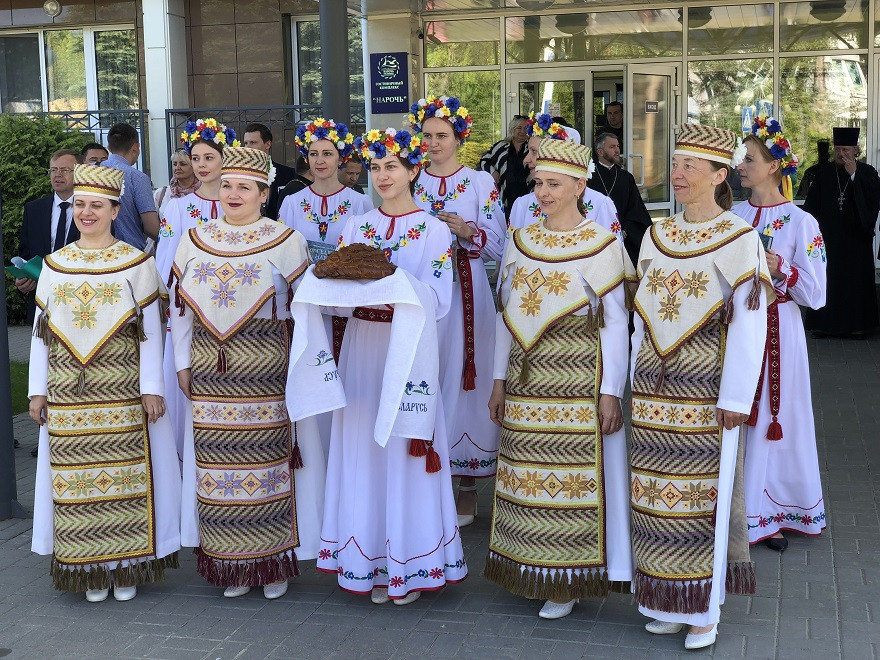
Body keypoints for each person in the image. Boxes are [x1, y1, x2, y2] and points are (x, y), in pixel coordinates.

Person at [630, 123, 772, 650]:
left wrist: (737, 397)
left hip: (706, 392)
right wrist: (628, 376)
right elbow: (641, 317)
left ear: (719, 176)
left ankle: (704, 610)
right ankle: (665, 600)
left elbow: (749, 322)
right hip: (651, 391)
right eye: (677, 162)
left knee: (700, 504)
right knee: (653, 501)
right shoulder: (656, 233)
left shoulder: (740, 238)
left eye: (692, 165)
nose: (680, 172)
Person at [315, 127, 467, 605]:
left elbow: (440, 299)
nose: (383, 176)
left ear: (413, 171)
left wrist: (390, 285)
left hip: (408, 351)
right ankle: (368, 563)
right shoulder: (356, 227)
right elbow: (338, 297)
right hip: (363, 348)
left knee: (403, 448)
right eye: (376, 167)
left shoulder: (435, 229)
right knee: (364, 445)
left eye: (392, 167)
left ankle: (408, 561)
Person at [486, 138, 634, 620]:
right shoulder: (521, 239)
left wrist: (611, 391)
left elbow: (615, 324)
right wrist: (497, 380)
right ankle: (531, 566)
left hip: (577, 384)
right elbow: (505, 316)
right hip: (525, 382)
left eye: (554, 183)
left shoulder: (603, 245)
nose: (543, 192)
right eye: (538, 183)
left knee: (568, 483)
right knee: (526, 480)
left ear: (579, 185)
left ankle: (566, 580)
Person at [170, 146, 320, 600]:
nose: (234, 194)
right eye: (228, 185)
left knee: (267, 463)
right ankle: (231, 563)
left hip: (267, 370)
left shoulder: (286, 238)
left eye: (245, 187)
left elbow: (304, 312)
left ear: (263, 191)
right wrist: (180, 362)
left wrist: (301, 368)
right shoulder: (195, 238)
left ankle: (271, 563)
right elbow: (180, 312)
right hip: (210, 372)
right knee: (217, 466)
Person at [28, 164, 180, 603]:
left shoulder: (137, 264)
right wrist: (37, 391)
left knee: (126, 478)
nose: (86, 213)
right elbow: (41, 334)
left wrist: (152, 387)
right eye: (80, 204)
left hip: (123, 390)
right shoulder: (56, 265)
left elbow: (151, 330)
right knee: (76, 478)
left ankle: (125, 565)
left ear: (116, 210)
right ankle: (91, 568)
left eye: (97, 205)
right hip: (67, 393)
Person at [409, 96, 506, 524]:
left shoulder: (480, 181)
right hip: (424, 296)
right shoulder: (411, 180)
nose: (432, 143)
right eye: (427, 136)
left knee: (470, 379)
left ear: (458, 138)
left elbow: (501, 243)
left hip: (468, 292)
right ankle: (429, 475)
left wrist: (467, 231)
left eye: (441, 136)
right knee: (429, 372)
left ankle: (468, 483)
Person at [733, 116, 828, 551]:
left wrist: (780, 268)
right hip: (735, 328)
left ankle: (772, 509)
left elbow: (816, 293)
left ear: (774, 167)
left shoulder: (800, 222)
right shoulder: (732, 216)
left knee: (777, 416)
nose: (740, 165)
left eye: (749, 159)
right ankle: (738, 507)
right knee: (735, 407)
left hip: (779, 330)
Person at [156, 118, 238, 463]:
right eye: (196, 158)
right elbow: (165, 261)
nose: (201, 165)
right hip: (187, 311)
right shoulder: (177, 207)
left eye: (209, 158)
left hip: (235, 312)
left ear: (224, 160)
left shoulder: (240, 202)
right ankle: (183, 464)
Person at [803, 127, 879, 338]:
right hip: (829, 238)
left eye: (845, 149)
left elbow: (873, 201)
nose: (841, 154)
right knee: (828, 279)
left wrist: (854, 175)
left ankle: (857, 327)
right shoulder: (823, 173)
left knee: (854, 282)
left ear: (856, 150)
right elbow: (811, 207)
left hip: (856, 239)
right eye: (838, 149)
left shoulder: (867, 172)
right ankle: (824, 326)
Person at [508, 114, 621, 244]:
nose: (526, 159)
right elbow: (510, 258)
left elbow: (612, 256)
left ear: (560, 154)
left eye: (534, 151)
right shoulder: (522, 205)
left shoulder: (601, 205)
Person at [279, 118, 373, 265]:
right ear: (306, 158)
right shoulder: (292, 203)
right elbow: (283, 254)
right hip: (304, 285)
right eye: (313, 154)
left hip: (346, 285)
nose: (319, 160)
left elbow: (367, 254)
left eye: (327, 154)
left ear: (341, 159)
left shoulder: (359, 202)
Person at [16, 149, 81, 325]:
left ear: (79, 172)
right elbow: (26, 253)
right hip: (42, 302)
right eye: (53, 170)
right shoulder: (34, 209)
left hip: (80, 303)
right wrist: (23, 277)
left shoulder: (91, 209)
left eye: (65, 170)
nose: (57, 175)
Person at [590, 132, 652, 265]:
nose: (617, 150)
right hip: (594, 238)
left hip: (623, 237)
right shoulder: (588, 178)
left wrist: (625, 230)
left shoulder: (626, 177)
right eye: (612, 147)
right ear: (600, 151)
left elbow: (636, 210)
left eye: (617, 146)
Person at [102, 122, 159, 251]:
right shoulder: (137, 178)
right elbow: (152, 228)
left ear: (109, 148)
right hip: (129, 252)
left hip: (93, 253)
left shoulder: (92, 170)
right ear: (136, 148)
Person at [479, 115, 530, 218]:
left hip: (527, 195)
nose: (523, 131)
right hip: (505, 197)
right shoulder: (501, 146)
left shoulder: (531, 147)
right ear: (512, 129)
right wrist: (493, 172)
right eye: (519, 128)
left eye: (526, 128)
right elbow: (484, 160)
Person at [242, 122, 296, 219]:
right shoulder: (240, 176)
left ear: (267, 144)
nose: (248, 148)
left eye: (253, 143)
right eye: (246, 143)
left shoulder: (288, 174)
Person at [154, 149, 200, 218]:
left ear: (193, 167)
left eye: (183, 164)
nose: (177, 168)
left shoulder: (203, 193)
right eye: (175, 164)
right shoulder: (161, 194)